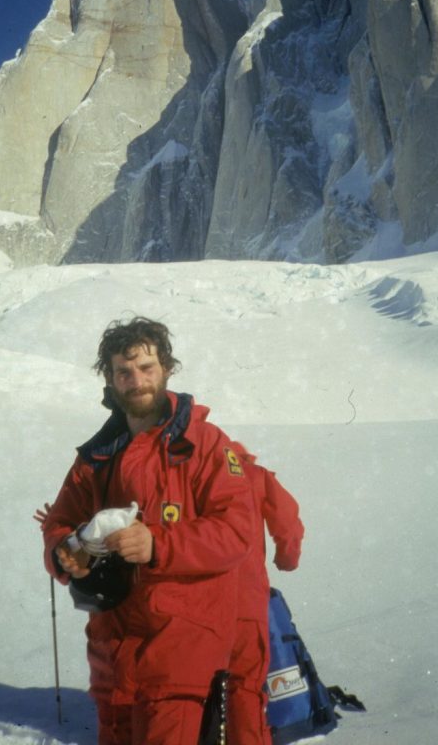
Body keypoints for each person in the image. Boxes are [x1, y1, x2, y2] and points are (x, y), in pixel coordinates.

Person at [39, 317, 254, 745]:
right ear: (110, 380)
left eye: (146, 368)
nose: (136, 381)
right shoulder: (96, 456)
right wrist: (67, 553)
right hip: (112, 650)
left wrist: (157, 543)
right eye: (123, 371)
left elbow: (235, 532)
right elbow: (59, 522)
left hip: (179, 647)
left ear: (167, 369)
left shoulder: (205, 444)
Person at [226, 441, 304, 745]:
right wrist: (287, 557)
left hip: (194, 596)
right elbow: (288, 522)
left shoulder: (186, 472)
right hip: (246, 594)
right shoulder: (254, 475)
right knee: (245, 680)